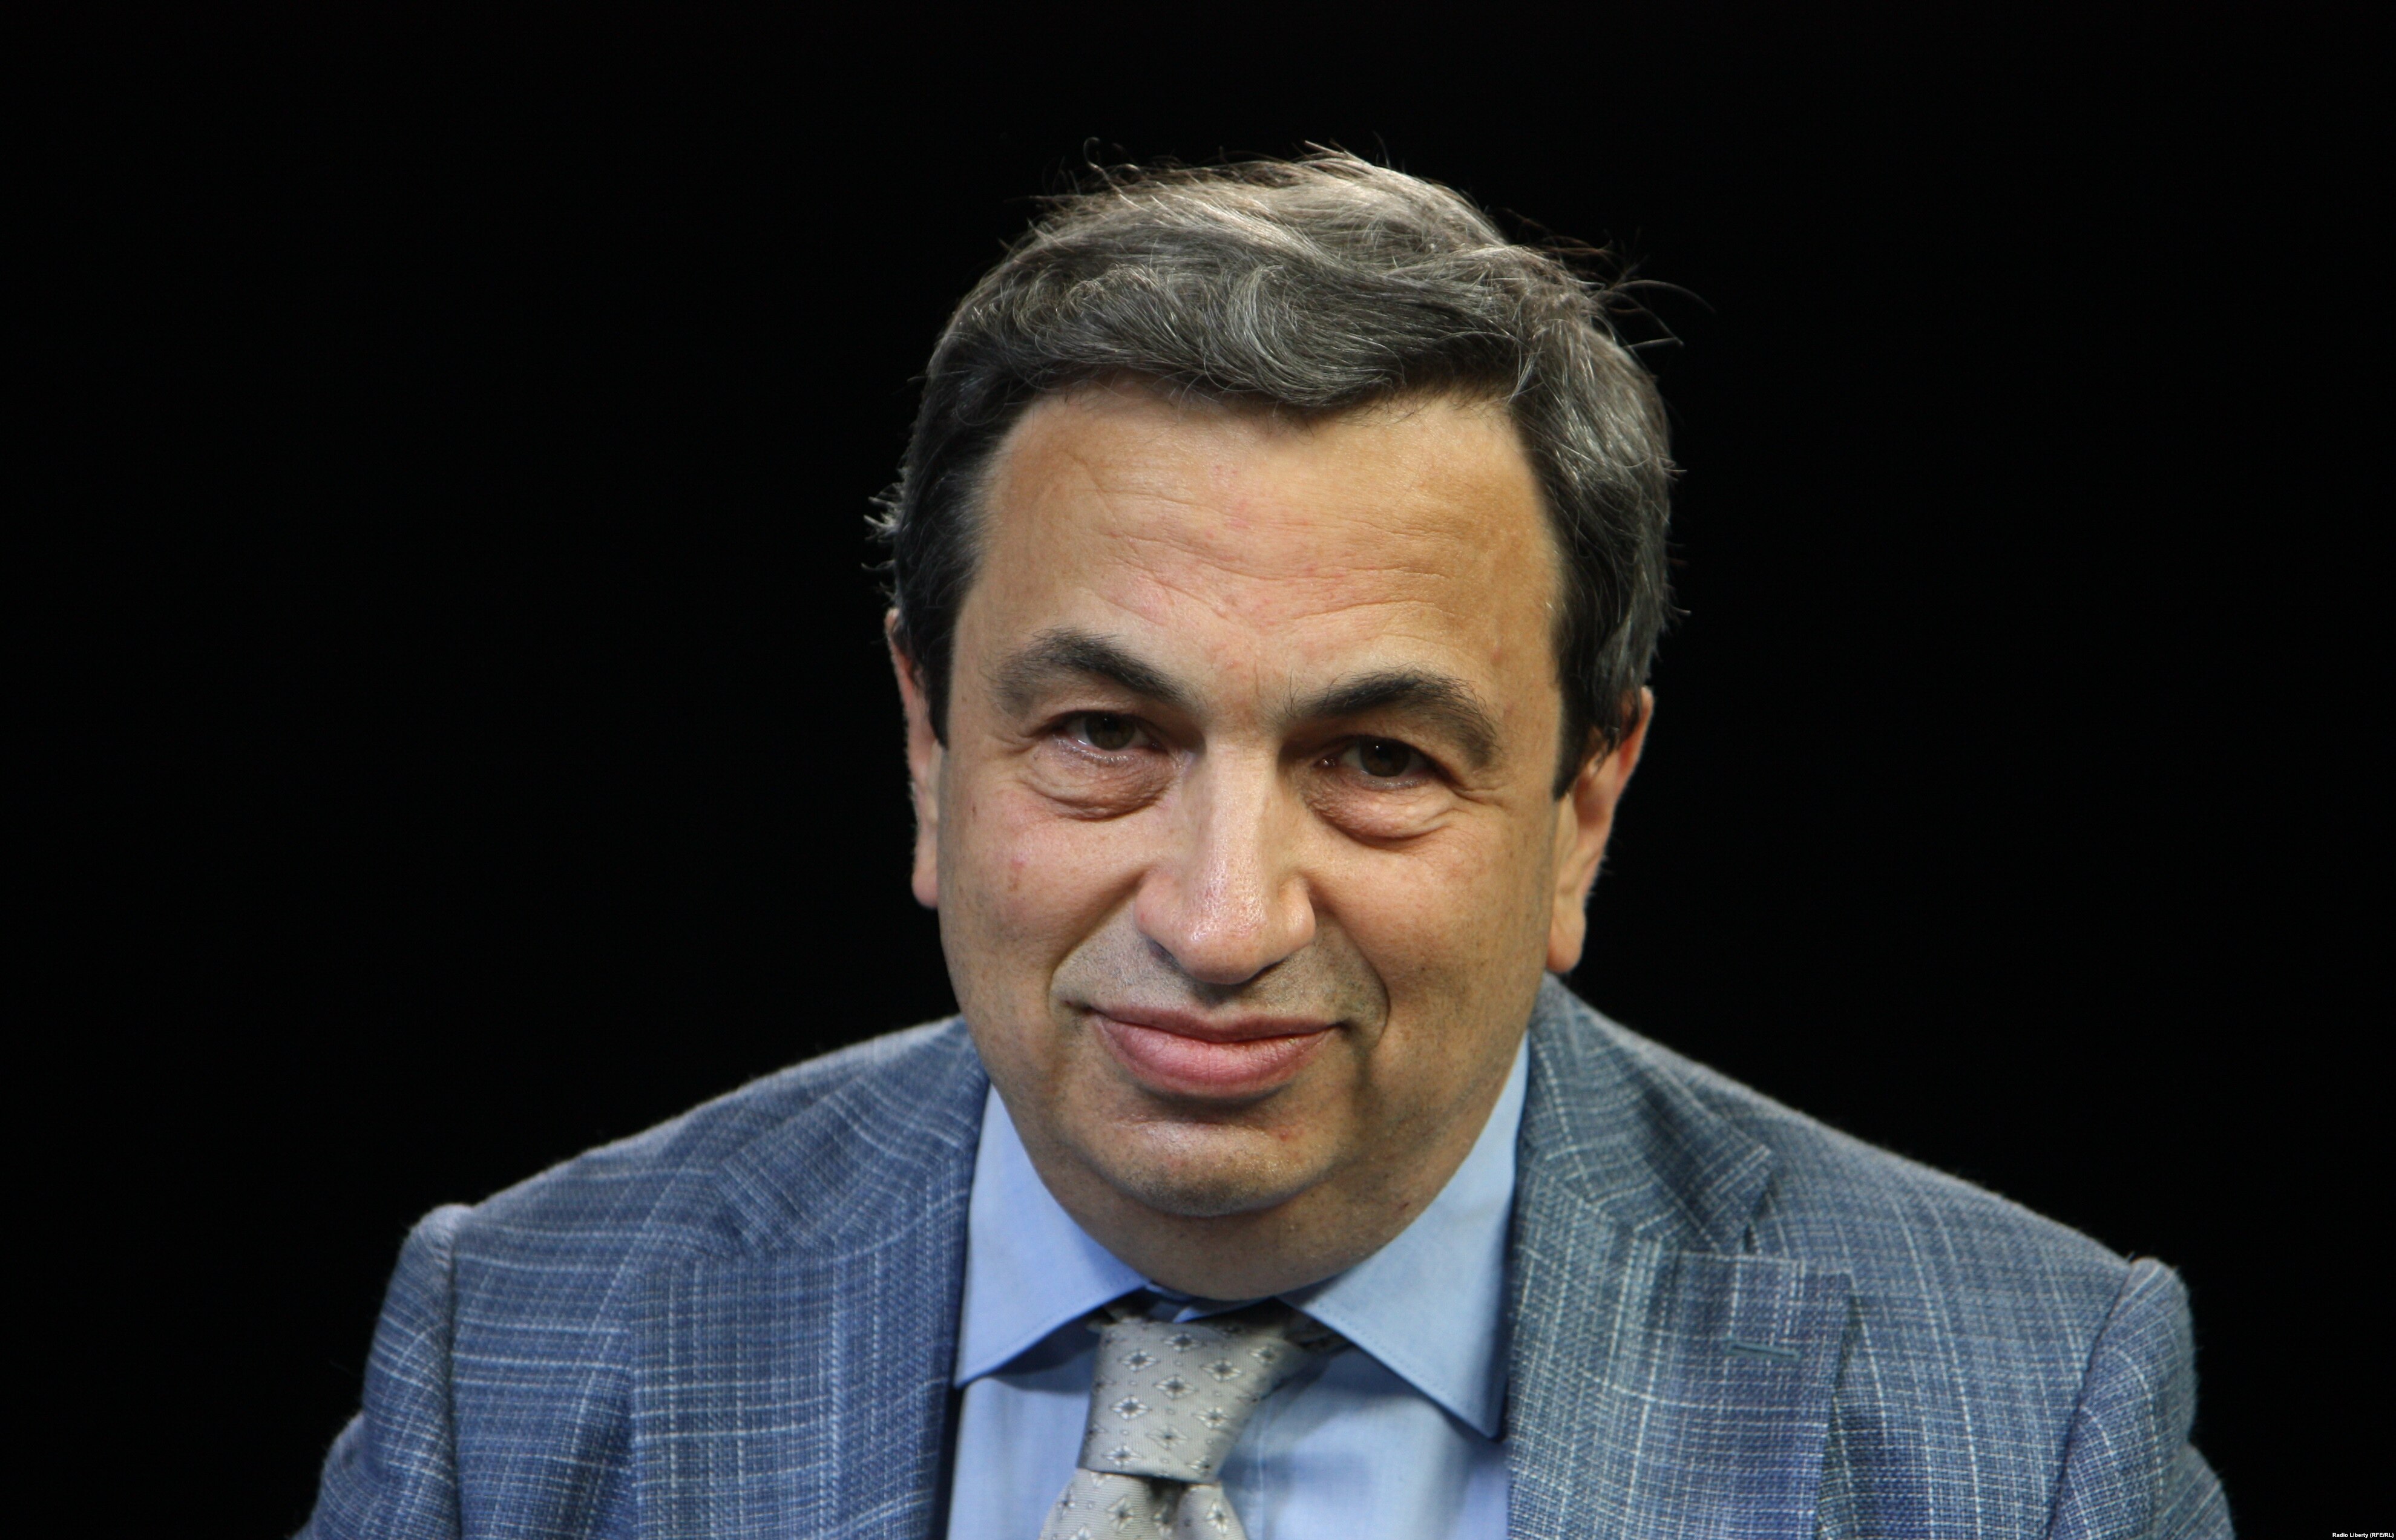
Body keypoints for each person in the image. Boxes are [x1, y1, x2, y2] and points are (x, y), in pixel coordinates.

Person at [300, 153, 2228, 1539]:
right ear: (927, 749)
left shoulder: (2036, 1426)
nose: (1223, 919)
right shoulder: (512, 1347)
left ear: (1587, 804)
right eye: (1104, 735)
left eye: (1378, 757)